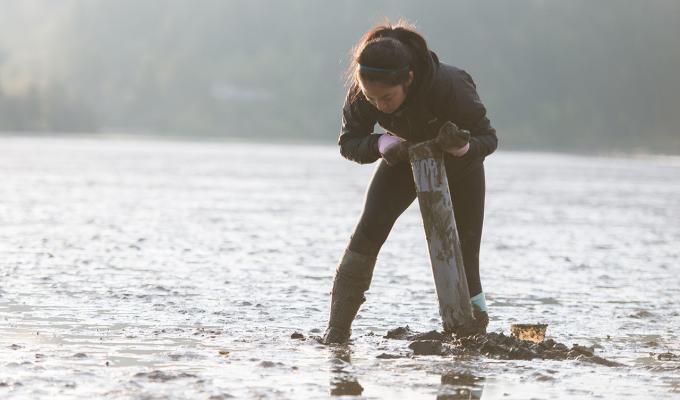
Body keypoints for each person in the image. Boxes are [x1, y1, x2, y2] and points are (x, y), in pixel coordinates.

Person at [322, 20, 499, 345]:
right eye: (371, 98)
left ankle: (471, 336)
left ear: (408, 79)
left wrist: (464, 147)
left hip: (460, 164)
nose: (379, 105)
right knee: (367, 233)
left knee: (464, 255)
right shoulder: (364, 91)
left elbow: (489, 138)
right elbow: (349, 142)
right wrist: (380, 145)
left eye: (386, 98)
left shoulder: (452, 85)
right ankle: (336, 334)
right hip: (404, 157)